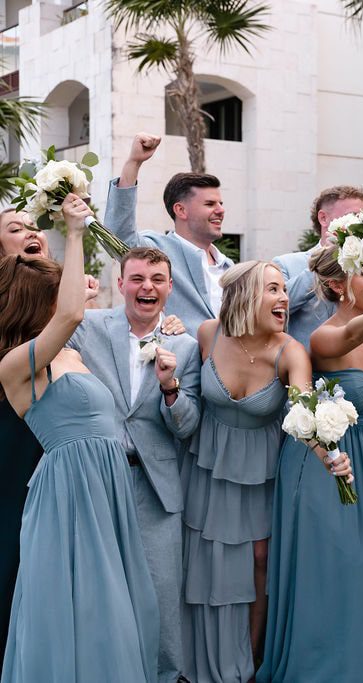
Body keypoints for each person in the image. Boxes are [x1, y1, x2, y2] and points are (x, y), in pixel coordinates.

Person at [0, 194, 159, 681]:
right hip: (68, 495)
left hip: (105, 489)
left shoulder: (69, 351)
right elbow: (69, 313)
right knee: (84, 606)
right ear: (40, 305)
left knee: (119, 603)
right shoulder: (17, 364)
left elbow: (78, 313)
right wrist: (73, 233)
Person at [259, 247, 363, 682]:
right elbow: (353, 335)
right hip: (323, 462)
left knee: (362, 571)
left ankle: (354, 665)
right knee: (329, 568)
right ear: (337, 286)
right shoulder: (321, 337)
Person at [67, 247, 202, 683]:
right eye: (138, 278)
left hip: (155, 483)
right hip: (96, 477)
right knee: (96, 584)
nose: (148, 287)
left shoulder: (185, 344)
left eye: (158, 279)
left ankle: (164, 674)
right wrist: (77, 298)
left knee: (161, 588)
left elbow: (187, 426)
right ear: (121, 283)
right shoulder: (87, 327)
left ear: (170, 287)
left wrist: (171, 387)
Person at [180, 261, 319, 683]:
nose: (284, 299)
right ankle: (193, 661)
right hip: (206, 464)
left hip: (261, 471)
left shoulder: (290, 350)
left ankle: (249, 663)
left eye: (283, 290)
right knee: (204, 560)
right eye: (273, 290)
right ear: (245, 296)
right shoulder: (208, 334)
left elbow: (306, 411)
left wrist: (329, 451)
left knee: (259, 561)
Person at [106, 133, 234, 335]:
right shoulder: (156, 250)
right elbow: (117, 236)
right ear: (180, 210)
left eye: (221, 204)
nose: (220, 210)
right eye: (210, 204)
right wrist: (134, 162)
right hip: (176, 363)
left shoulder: (230, 268)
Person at [0, 209, 48, 668]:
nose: (31, 232)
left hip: (50, 446)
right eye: (15, 229)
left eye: (34, 225)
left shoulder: (62, 302)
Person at [273, 186, 363, 349]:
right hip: (303, 368)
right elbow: (271, 312)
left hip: (360, 367)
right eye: (353, 216)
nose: (360, 224)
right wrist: (325, 262)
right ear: (323, 218)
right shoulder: (285, 264)